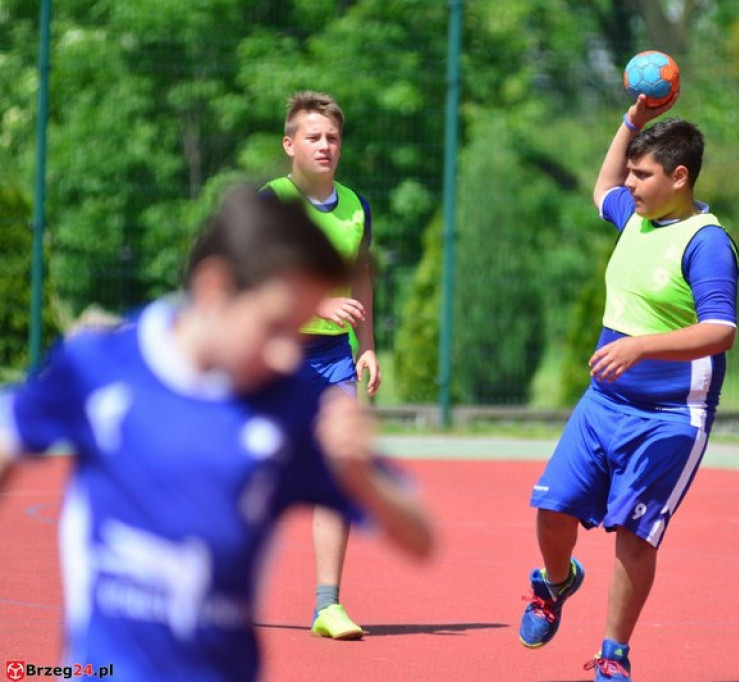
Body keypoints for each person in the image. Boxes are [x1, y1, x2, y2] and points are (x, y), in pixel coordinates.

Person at [0, 187, 433, 681]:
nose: (288, 354)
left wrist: (360, 474)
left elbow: (421, 538)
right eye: (275, 327)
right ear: (215, 288)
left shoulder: (287, 408)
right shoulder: (101, 365)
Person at [518, 91, 739, 681]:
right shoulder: (636, 217)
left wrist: (641, 345)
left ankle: (613, 654)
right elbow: (600, 190)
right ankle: (556, 582)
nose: (630, 182)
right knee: (551, 508)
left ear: (680, 176)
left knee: (634, 534)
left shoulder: (706, 241)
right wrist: (631, 121)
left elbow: (721, 330)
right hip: (604, 403)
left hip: (671, 415)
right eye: (633, 172)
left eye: (643, 174)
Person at [259, 90, 380, 641]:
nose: (325, 145)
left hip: (333, 359)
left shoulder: (356, 206)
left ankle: (327, 606)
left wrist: (368, 344)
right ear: (290, 145)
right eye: (313, 136)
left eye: (332, 137)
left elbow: (360, 281)